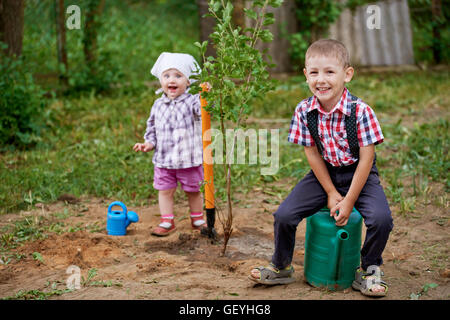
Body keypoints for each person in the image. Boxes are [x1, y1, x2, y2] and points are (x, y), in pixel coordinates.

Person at [248, 39, 393, 297]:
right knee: (284, 215)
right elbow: (312, 153)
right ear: (306, 75)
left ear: (347, 74)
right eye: (314, 72)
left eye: (329, 72)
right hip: (324, 173)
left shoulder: (360, 112)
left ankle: (369, 269)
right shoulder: (305, 110)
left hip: (359, 174)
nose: (321, 80)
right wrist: (329, 190)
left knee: (381, 219)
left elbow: (367, 158)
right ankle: (281, 266)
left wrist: (348, 200)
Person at [133, 52, 207, 236]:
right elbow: (152, 126)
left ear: (188, 81)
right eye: (166, 76)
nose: (171, 80)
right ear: (161, 80)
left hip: (188, 158)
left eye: (178, 76)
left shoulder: (193, 101)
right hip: (164, 159)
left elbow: (204, 112)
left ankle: (197, 218)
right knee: (165, 190)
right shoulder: (158, 104)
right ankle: (167, 221)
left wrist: (206, 95)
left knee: (193, 190)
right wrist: (149, 143)